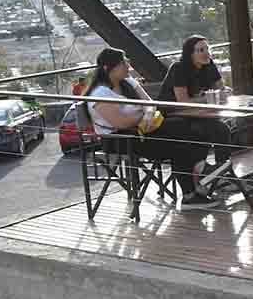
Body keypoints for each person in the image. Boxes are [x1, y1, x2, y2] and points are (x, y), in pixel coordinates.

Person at [85, 47, 216, 209]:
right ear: (107, 68)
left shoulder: (129, 82)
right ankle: (198, 180)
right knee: (180, 141)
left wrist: (146, 113)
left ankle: (198, 177)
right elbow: (121, 123)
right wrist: (144, 115)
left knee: (187, 126)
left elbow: (150, 104)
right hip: (121, 139)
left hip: (145, 130)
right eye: (123, 63)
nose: (128, 66)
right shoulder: (99, 95)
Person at [158, 34, 234, 173]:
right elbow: (183, 102)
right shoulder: (179, 68)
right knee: (217, 129)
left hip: (198, 113)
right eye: (200, 50)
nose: (206, 53)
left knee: (221, 129)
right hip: (173, 116)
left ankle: (221, 171)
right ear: (190, 54)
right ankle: (213, 173)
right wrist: (208, 96)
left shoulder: (209, 65)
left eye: (207, 49)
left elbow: (221, 89)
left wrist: (221, 92)